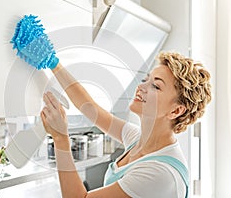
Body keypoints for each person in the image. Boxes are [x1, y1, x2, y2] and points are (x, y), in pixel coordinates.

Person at [40, 52, 212, 198]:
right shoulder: (138, 139)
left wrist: (60, 137)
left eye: (156, 86)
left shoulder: (159, 173)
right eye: (146, 79)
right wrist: (53, 62)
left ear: (175, 111)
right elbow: (90, 108)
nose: (141, 87)